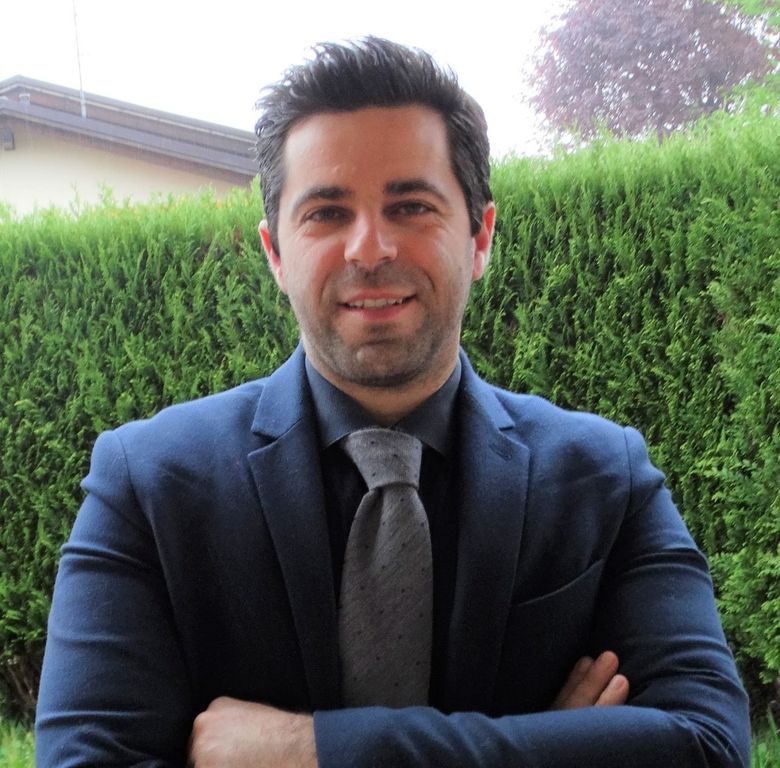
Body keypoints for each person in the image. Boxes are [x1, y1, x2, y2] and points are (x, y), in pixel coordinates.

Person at [35, 37, 749, 767]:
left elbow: (712, 745)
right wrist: (543, 747)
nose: (369, 248)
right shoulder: (147, 485)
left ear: (480, 237)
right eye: (326, 213)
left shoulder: (606, 478)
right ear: (275, 253)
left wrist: (308, 751)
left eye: (410, 206)